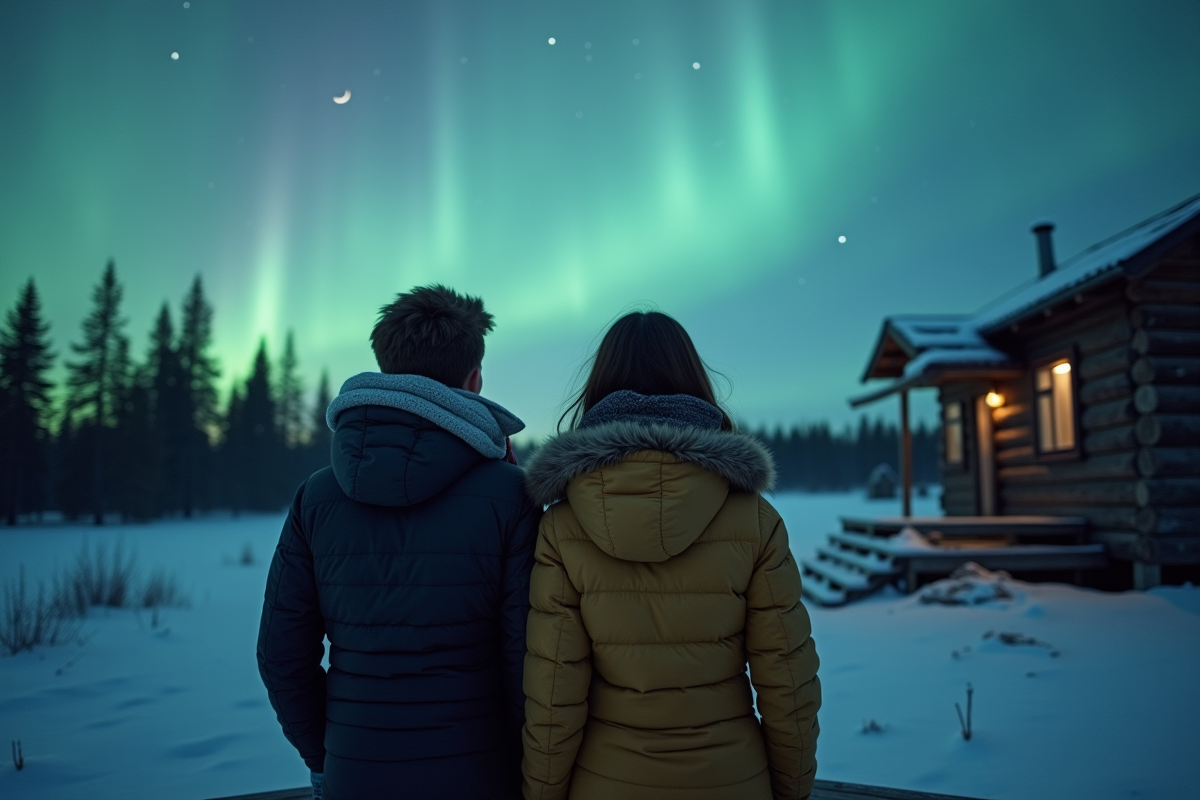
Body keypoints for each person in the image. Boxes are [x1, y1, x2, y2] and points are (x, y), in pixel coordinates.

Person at [521, 311, 821, 800]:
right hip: (731, 779)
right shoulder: (754, 521)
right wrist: (790, 790)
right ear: (695, 381)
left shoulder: (563, 526)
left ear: (598, 388)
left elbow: (555, 690)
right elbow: (787, 683)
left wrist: (543, 793)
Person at [257, 285, 539, 800]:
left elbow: (281, 656)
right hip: (484, 778)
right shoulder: (510, 495)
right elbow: (528, 654)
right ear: (473, 379)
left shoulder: (316, 497)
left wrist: (326, 756)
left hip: (354, 776)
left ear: (388, 372)